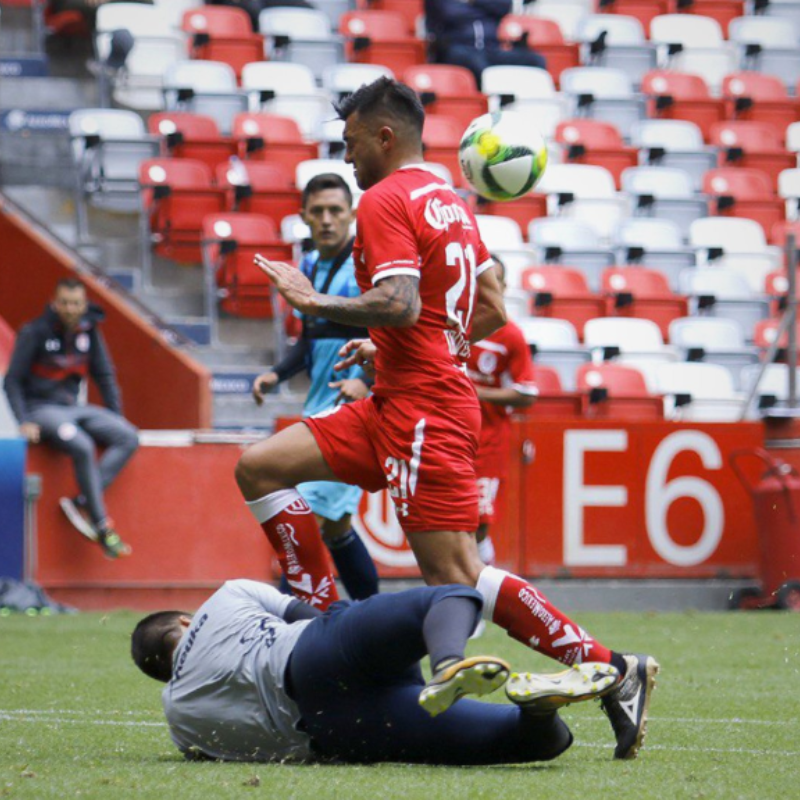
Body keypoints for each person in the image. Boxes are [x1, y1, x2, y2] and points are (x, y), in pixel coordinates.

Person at [242, 76, 658, 760]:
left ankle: (614, 669)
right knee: (260, 467)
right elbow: (488, 306)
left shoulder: (384, 199)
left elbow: (401, 301)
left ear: (384, 136)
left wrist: (315, 301)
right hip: (395, 399)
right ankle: (316, 624)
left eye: (350, 144)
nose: (346, 159)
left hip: (423, 408)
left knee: (456, 579)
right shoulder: (451, 201)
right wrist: (395, 345)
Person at [131, 578, 620, 764]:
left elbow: (215, 751)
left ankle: (537, 709)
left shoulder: (178, 719)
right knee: (453, 596)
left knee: (543, 745)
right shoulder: (224, 598)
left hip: (342, 728)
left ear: (162, 675)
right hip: (318, 651)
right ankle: (447, 663)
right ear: (183, 621)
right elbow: (307, 615)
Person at [252, 173, 379, 601]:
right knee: (337, 528)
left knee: (304, 517)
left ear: (352, 215)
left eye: (335, 211)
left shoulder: (367, 268)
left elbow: (395, 331)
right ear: (304, 216)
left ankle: (288, 628)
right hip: (319, 406)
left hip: (357, 412)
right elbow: (310, 337)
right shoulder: (309, 266)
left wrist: (364, 380)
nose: (326, 220)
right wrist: (278, 374)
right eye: (318, 211)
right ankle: (372, 618)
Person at [3, 278, 138, 559]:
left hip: (74, 407)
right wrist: (23, 421)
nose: (70, 309)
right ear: (55, 303)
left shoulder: (90, 332)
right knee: (82, 444)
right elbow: (12, 381)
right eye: (64, 303)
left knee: (127, 435)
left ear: (84, 305)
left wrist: (116, 416)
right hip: (42, 410)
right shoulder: (34, 332)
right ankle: (102, 526)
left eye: (75, 303)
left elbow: (104, 375)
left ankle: (81, 501)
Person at [466, 256, 537, 566]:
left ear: (504, 288)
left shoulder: (510, 335)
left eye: (493, 281)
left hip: (488, 441)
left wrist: (476, 392)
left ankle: (477, 604)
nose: (485, 289)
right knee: (452, 525)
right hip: (446, 437)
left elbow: (527, 394)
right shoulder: (450, 325)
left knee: (478, 524)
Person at [424, 0, 546, 90]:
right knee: (476, 62)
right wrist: (485, 9)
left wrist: (473, 2)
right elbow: (448, 11)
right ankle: (489, 101)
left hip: (492, 49)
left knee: (536, 60)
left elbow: (504, 6)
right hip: (459, 48)